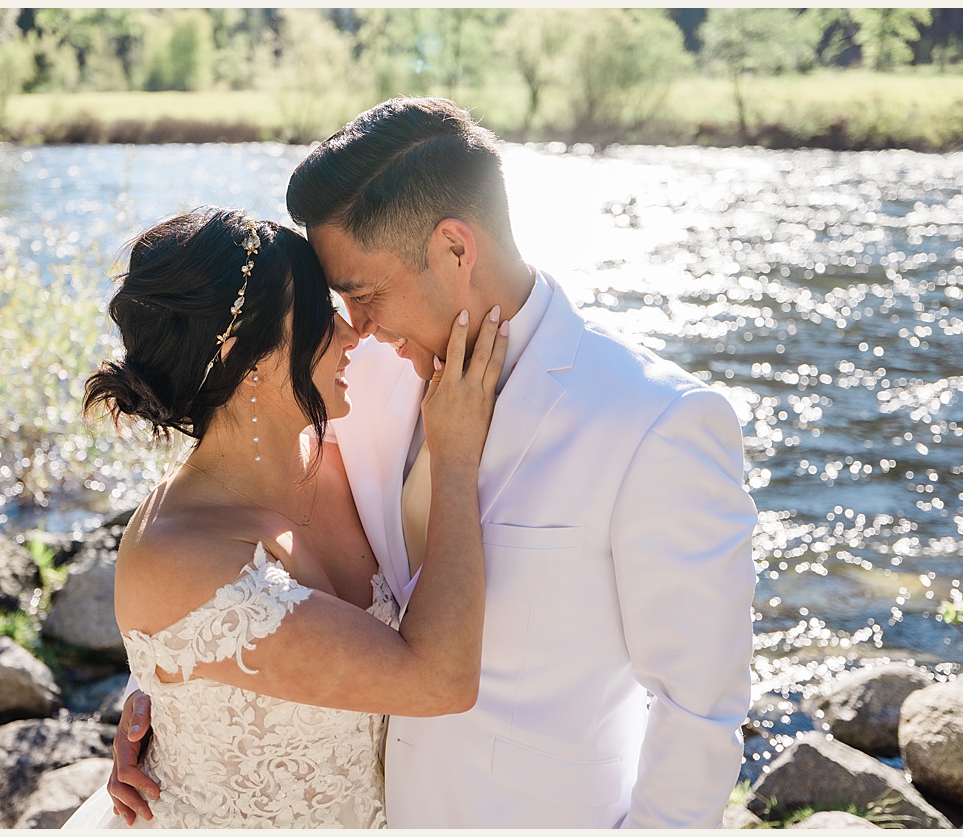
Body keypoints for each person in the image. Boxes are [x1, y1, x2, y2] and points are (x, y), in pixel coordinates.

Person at [97, 97, 756, 829]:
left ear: (454, 248)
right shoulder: (350, 387)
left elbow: (700, 709)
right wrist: (179, 715)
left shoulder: (655, 421)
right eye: (337, 303)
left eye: (363, 293)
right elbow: (230, 591)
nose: (356, 326)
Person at [60, 206, 506, 828]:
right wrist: (455, 462)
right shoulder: (177, 552)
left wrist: (158, 695)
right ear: (248, 356)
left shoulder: (337, 456)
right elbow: (440, 682)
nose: (354, 335)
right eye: (324, 318)